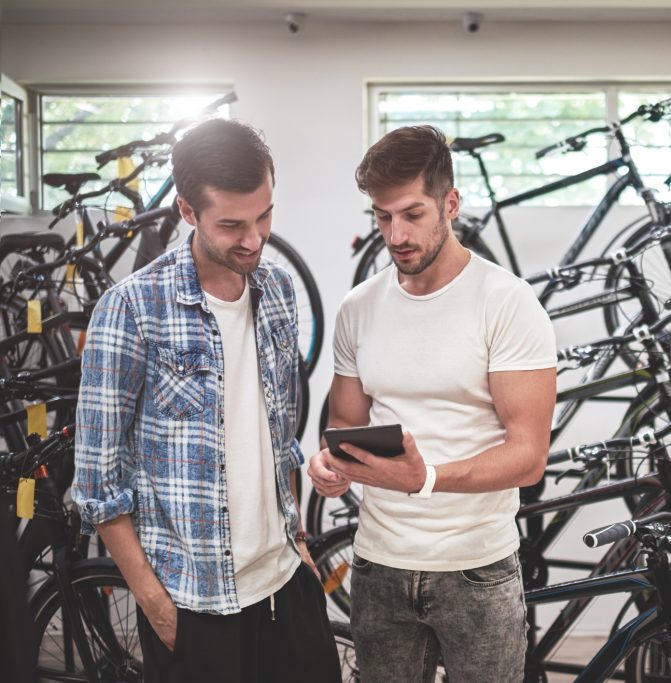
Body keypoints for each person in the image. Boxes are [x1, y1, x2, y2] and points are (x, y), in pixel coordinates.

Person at [72, 118, 340, 683]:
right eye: (232, 224)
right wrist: (153, 602)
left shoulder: (279, 292)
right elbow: (97, 483)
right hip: (193, 606)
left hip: (287, 584)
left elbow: (278, 433)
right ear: (189, 213)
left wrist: (299, 544)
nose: (254, 238)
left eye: (265, 215)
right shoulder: (131, 309)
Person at [308, 125, 557, 681]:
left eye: (412, 214)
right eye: (382, 216)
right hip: (378, 565)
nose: (395, 234)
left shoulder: (508, 304)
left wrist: (426, 479)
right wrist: (330, 468)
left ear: (451, 204)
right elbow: (344, 423)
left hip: (476, 570)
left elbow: (528, 456)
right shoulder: (358, 307)